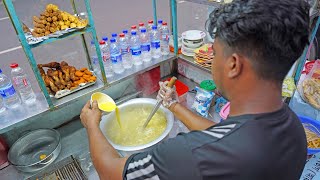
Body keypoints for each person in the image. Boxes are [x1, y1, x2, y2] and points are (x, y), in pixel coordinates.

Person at [80, 0, 310, 179]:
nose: (212, 59)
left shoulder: (187, 155)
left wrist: (92, 124)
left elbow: (111, 173)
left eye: (215, 52)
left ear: (233, 64)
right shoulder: (294, 129)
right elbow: (225, 135)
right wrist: (174, 107)